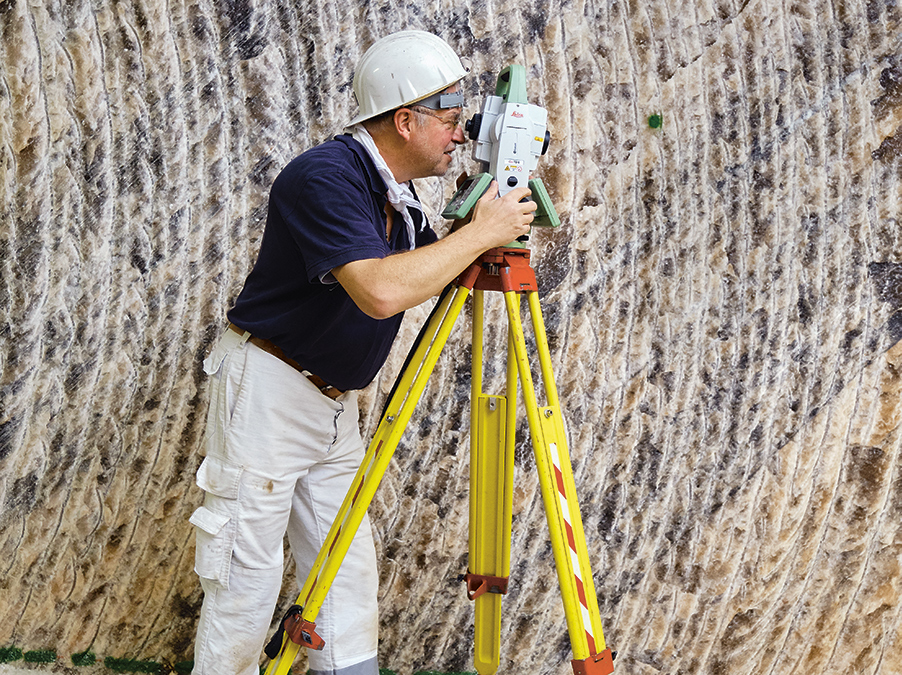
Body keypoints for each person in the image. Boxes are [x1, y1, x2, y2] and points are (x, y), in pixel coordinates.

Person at [189, 30, 536, 675]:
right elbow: (379, 291)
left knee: (346, 572)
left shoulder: (395, 198)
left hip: (334, 405)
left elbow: (425, 269)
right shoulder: (325, 176)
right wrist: (483, 232)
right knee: (244, 576)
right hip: (269, 391)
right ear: (406, 121)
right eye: (452, 121)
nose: (461, 136)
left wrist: (476, 230)